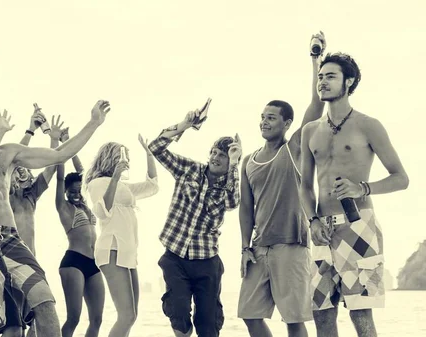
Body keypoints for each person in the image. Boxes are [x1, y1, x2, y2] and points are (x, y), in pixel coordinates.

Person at [0, 96, 111, 337]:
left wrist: (93, 123)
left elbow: (59, 155)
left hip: (11, 238)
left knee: (45, 303)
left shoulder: (7, 153)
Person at [298, 50, 409, 337]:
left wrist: (363, 188)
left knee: (360, 315)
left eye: (330, 76)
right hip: (322, 229)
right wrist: (312, 221)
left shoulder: (368, 125)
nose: (322, 82)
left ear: (349, 82)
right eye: (320, 77)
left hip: (359, 227)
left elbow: (401, 178)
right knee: (321, 315)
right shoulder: (310, 131)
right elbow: (305, 186)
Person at [237, 32, 327, 337]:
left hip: (292, 245)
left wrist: (315, 60)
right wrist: (244, 246)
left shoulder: (294, 148)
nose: (264, 122)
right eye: (262, 117)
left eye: (272, 118)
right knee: (249, 314)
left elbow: (317, 106)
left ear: (287, 124)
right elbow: (245, 209)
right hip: (258, 249)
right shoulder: (248, 160)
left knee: (293, 320)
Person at [148, 108, 242, 337]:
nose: (215, 157)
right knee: (178, 311)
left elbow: (232, 203)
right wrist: (183, 126)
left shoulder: (228, 183)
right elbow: (155, 148)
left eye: (223, 155)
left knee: (208, 322)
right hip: (175, 256)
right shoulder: (189, 169)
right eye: (214, 152)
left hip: (207, 260)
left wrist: (235, 164)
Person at [84, 134, 159, 337]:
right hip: (112, 248)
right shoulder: (97, 183)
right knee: (125, 316)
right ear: (109, 158)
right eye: (120, 155)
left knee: (131, 316)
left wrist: (149, 153)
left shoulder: (124, 187)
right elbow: (102, 211)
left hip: (127, 251)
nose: (125, 160)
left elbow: (152, 186)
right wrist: (116, 176)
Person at [55, 128, 105, 337]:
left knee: (97, 319)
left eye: (78, 191)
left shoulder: (86, 205)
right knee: (74, 318)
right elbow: (59, 179)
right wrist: (62, 149)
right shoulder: (63, 207)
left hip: (93, 263)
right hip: (73, 262)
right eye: (72, 191)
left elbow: (85, 176)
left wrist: (70, 142)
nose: (76, 194)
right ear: (66, 191)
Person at [0, 107, 59, 255]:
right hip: (4, 252)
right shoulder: (5, 194)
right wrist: (30, 131)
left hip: (28, 254)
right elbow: (11, 158)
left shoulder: (32, 195)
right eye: (18, 169)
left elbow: (51, 168)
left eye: (26, 170)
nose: (22, 170)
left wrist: (54, 139)